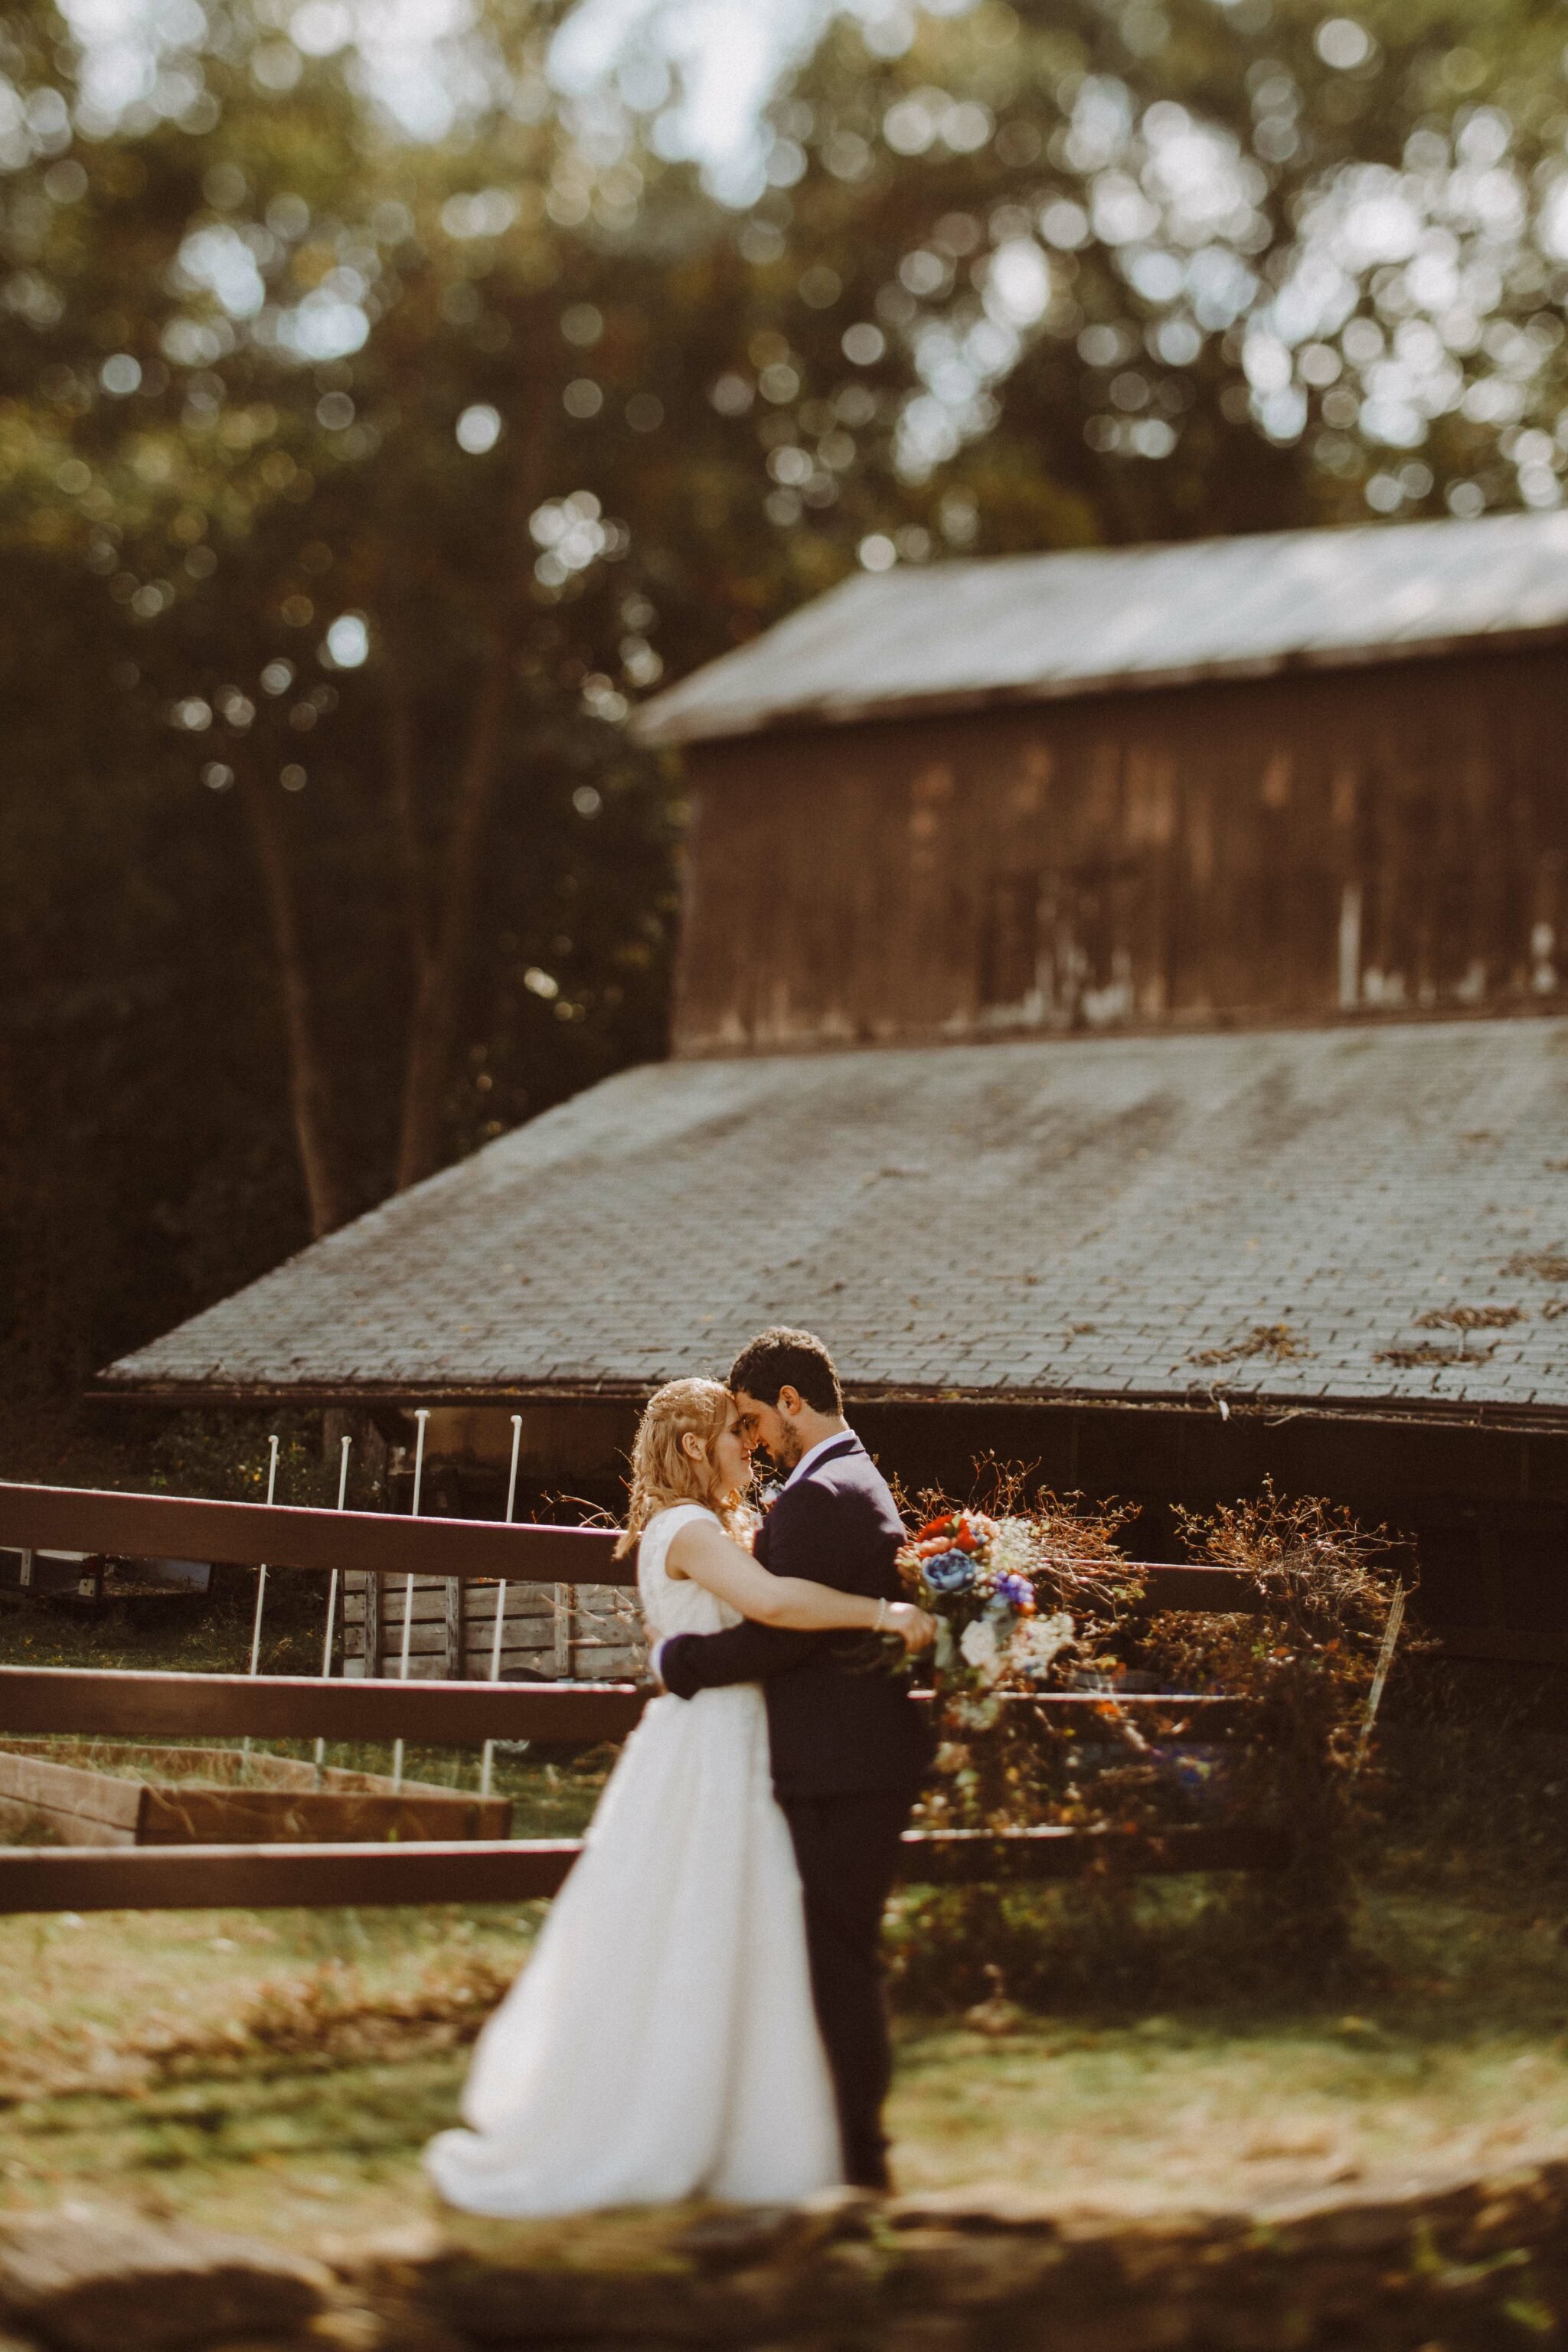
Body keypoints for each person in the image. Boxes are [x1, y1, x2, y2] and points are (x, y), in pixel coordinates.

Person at [423, 1375, 935, 2216]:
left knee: (730, 1930)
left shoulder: (705, 1526)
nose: (752, 1445)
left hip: (730, 1740)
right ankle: (664, 2118)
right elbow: (770, 1605)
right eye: (738, 1432)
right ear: (697, 1446)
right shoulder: (690, 1527)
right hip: (708, 1748)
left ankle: (732, 2117)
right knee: (694, 1923)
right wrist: (881, 1614)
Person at [654, 1328, 933, 2194]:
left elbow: (775, 1632)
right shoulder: (849, 1477)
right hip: (853, 1757)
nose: (752, 1443)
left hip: (841, 1766)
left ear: (787, 1403)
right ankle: (837, 2147)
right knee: (832, 1954)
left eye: (752, 1422)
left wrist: (681, 1663)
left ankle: (859, 2160)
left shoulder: (821, 1496)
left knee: (836, 1961)